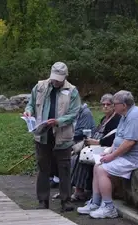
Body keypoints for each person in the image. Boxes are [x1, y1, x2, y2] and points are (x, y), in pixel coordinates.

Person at [77, 90, 138, 219]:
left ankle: (108, 207)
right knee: (98, 165)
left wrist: (112, 157)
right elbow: (118, 138)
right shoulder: (125, 116)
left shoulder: (135, 117)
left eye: (115, 104)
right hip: (127, 156)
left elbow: (129, 142)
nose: (113, 106)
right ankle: (96, 203)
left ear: (124, 105)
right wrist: (109, 151)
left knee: (102, 170)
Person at [24, 62, 81, 212]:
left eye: (59, 79)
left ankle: (66, 201)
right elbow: (30, 104)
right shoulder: (40, 87)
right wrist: (28, 111)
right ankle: (42, 201)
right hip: (42, 134)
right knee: (43, 168)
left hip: (62, 135)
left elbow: (74, 113)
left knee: (64, 168)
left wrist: (58, 121)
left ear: (65, 77)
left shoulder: (72, 91)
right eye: (54, 78)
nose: (56, 81)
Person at [71, 94, 121, 201]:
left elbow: (113, 138)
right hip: (97, 145)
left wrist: (97, 142)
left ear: (113, 106)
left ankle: (79, 191)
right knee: (77, 156)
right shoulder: (104, 119)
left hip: (106, 148)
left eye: (108, 104)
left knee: (82, 156)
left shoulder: (116, 119)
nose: (105, 107)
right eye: (103, 104)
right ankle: (77, 189)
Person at [49, 103, 96, 188]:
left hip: (81, 141)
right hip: (71, 138)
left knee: (59, 149)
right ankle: (56, 176)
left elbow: (82, 132)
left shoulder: (85, 113)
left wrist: (66, 135)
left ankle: (60, 178)